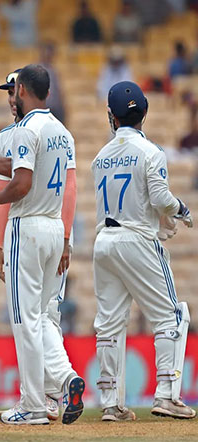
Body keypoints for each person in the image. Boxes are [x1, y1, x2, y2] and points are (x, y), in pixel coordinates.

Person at [0, 67, 79, 423]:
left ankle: (32, 404)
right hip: (52, 227)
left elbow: (21, 182)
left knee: (24, 320)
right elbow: (13, 166)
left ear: (23, 89)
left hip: (26, 227)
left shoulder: (26, 131)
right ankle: (64, 380)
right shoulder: (61, 131)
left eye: (14, 90)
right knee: (40, 317)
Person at [92, 81, 196, 421]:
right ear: (145, 114)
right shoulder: (151, 152)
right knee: (173, 316)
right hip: (137, 241)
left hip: (104, 242)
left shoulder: (100, 157)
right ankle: (167, 394)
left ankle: (110, 403)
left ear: (111, 116)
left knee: (109, 324)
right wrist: (181, 210)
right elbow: (160, 198)